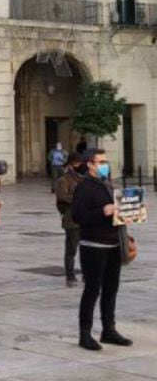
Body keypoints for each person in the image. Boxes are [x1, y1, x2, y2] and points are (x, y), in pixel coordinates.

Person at [72, 148, 133, 351]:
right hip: (93, 246)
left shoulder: (106, 184)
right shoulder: (84, 187)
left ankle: (109, 329)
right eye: (100, 162)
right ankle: (85, 334)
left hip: (113, 243)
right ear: (89, 164)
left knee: (111, 289)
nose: (104, 165)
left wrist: (133, 210)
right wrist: (102, 211)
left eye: (105, 161)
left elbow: (117, 211)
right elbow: (78, 216)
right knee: (92, 290)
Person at [56, 152, 85, 286]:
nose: (81, 165)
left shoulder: (84, 178)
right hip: (72, 218)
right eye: (79, 163)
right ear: (72, 164)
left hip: (85, 218)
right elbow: (62, 197)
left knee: (86, 249)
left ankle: (86, 274)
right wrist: (79, 199)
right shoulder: (64, 180)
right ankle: (70, 276)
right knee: (71, 249)